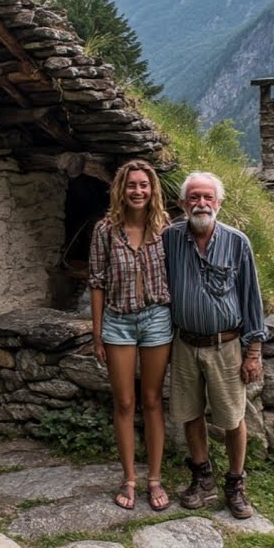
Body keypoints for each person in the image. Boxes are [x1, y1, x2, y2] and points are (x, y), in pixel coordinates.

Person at [162, 171, 269, 519]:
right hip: (184, 343)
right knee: (190, 413)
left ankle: (236, 483)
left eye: (208, 197)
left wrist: (253, 352)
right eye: (194, 197)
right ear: (182, 203)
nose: (201, 203)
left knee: (233, 417)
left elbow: (252, 298)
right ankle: (202, 476)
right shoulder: (170, 239)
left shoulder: (238, 242)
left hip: (227, 344)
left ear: (219, 203)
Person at [89, 159, 174, 511]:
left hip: (156, 318)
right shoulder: (105, 230)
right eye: (131, 185)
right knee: (124, 402)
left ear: (152, 190)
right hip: (118, 321)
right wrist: (97, 334)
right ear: (120, 190)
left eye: (143, 185)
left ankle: (154, 479)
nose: (137, 191)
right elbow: (96, 281)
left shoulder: (166, 229)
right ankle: (129, 477)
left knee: (152, 400)